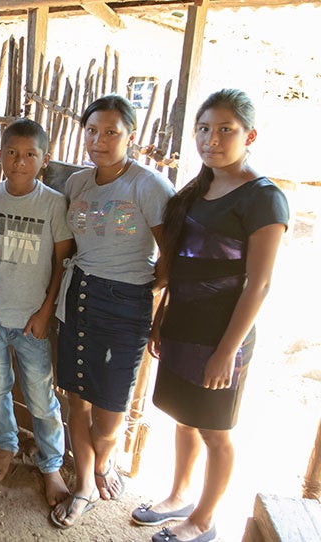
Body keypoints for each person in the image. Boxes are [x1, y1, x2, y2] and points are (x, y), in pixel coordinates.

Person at [130, 89, 288, 542]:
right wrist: (162, 319)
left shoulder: (263, 199)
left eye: (225, 130)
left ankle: (203, 517)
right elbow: (180, 265)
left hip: (223, 333)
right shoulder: (201, 188)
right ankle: (179, 494)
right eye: (203, 129)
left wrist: (227, 351)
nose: (211, 139)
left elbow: (258, 284)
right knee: (183, 416)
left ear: (249, 135)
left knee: (215, 430)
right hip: (185, 324)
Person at [51, 94, 175, 529]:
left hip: (125, 305)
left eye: (110, 132)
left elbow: (172, 254)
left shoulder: (150, 187)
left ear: (130, 136)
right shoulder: (79, 184)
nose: (98, 141)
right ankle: (85, 481)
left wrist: (147, 285)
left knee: (110, 412)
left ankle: (105, 460)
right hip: (78, 296)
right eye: (91, 131)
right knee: (76, 400)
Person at [0, 119, 73, 508]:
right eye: (11, 153)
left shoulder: (52, 203)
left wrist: (47, 310)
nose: (19, 161)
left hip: (33, 318)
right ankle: (6, 445)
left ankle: (50, 464)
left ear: (44, 160)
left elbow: (63, 260)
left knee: (41, 396)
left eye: (30, 154)